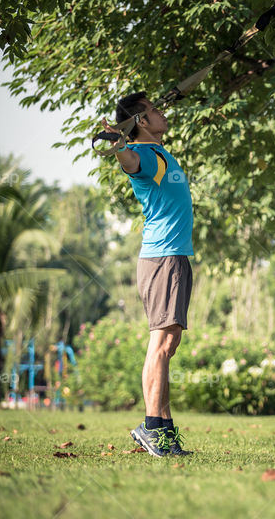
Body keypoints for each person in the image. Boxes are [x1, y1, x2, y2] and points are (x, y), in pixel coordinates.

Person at [100, 92, 194, 457]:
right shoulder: (146, 155)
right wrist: (119, 146)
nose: (161, 112)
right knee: (160, 345)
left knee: (167, 346)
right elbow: (129, 161)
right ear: (141, 120)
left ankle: (163, 430)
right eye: (154, 110)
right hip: (162, 260)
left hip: (173, 258)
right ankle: (151, 427)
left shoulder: (162, 154)